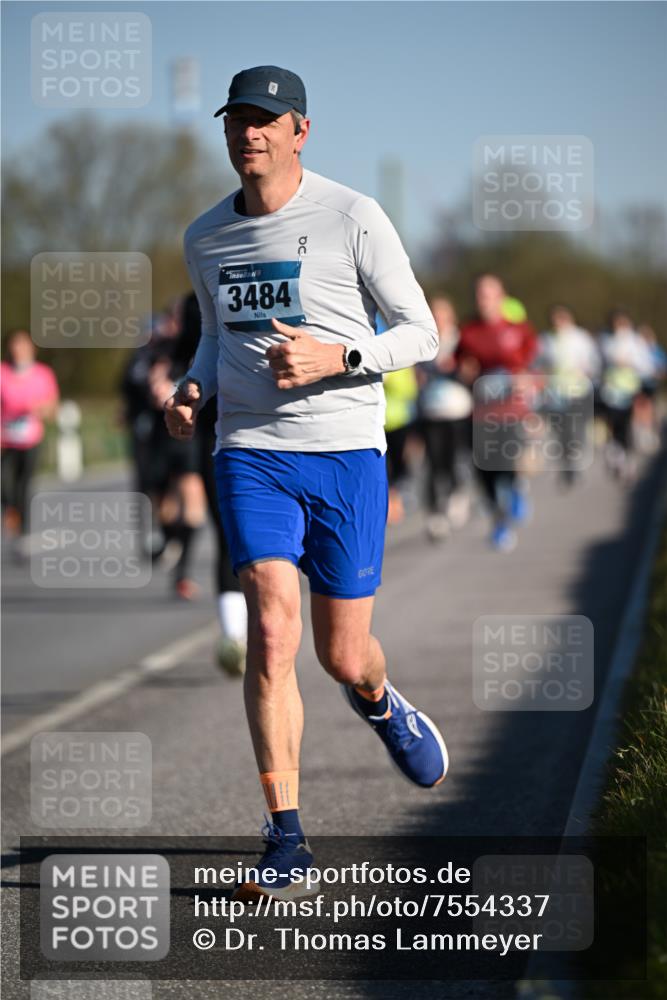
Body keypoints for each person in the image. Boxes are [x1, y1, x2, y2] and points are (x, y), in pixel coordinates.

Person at [164, 65, 448, 900]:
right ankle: (285, 838)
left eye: (264, 119)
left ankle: (381, 700)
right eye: (235, 120)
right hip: (249, 450)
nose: (247, 132)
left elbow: (423, 332)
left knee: (339, 653)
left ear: (299, 131)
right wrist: (193, 388)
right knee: (272, 629)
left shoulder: (351, 216)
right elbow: (215, 338)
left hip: (346, 453)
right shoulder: (205, 236)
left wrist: (340, 354)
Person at [456, 275, 537, 552]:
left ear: (501, 297)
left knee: (506, 463)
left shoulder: (519, 330)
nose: (484, 300)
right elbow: (460, 365)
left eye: (489, 294)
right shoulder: (468, 331)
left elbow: (534, 363)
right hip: (481, 411)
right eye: (480, 294)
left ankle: (511, 497)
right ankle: (498, 515)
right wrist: (465, 372)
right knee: (483, 471)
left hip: (511, 410)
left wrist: (525, 379)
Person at [417, 295, 472, 541]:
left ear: (451, 316)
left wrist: (459, 370)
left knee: (454, 460)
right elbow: (415, 371)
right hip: (430, 409)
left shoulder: (461, 340)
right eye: (434, 314)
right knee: (432, 463)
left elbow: (472, 370)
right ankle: (435, 515)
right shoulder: (425, 338)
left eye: (442, 314)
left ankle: (457, 495)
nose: (438, 319)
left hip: (457, 408)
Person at [1, 329, 59, 542]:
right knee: (4, 482)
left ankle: (22, 528)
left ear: (31, 348)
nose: (19, 349)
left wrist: (42, 409)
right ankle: (9, 511)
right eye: (15, 345)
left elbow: (53, 408)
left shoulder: (43, 374)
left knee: (23, 484)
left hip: (30, 438)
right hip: (6, 438)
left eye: (23, 344)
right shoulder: (3, 373)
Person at [537, 305, 600, 487]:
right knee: (561, 430)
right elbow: (538, 363)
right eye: (554, 320)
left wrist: (585, 371)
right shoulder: (546, 339)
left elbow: (593, 363)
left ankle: (576, 463)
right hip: (555, 392)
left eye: (561, 319)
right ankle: (566, 465)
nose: (558, 323)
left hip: (578, 390)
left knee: (576, 428)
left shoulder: (581, 338)